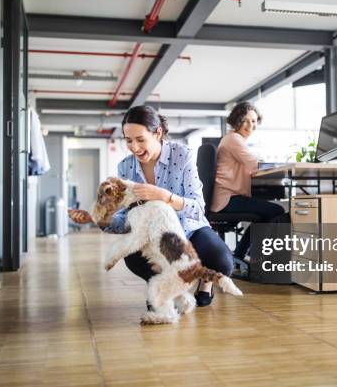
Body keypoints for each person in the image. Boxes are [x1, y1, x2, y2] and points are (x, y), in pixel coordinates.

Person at [103, 105, 234, 307]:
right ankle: (159, 285)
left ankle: (205, 283)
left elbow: (198, 208)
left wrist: (166, 197)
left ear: (158, 133)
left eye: (140, 140)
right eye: (128, 140)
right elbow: (124, 216)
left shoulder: (182, 155)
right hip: (153, 237)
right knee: (132, 256)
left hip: (189, 229)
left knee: (222, 261)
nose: (134, 147)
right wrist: (107, 221)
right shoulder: (125, 167)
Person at [210, 102, 285, 261]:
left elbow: (250, 167)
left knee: (264, 215)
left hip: (228, 197)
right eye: (246, 120)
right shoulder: (233, 139)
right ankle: (256, 256)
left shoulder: (233, 139)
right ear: (237, 121)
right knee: (276, 211)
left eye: (254, 121)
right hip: (229, 199)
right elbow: (254, 164)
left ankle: (241, 254)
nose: (251, 125)